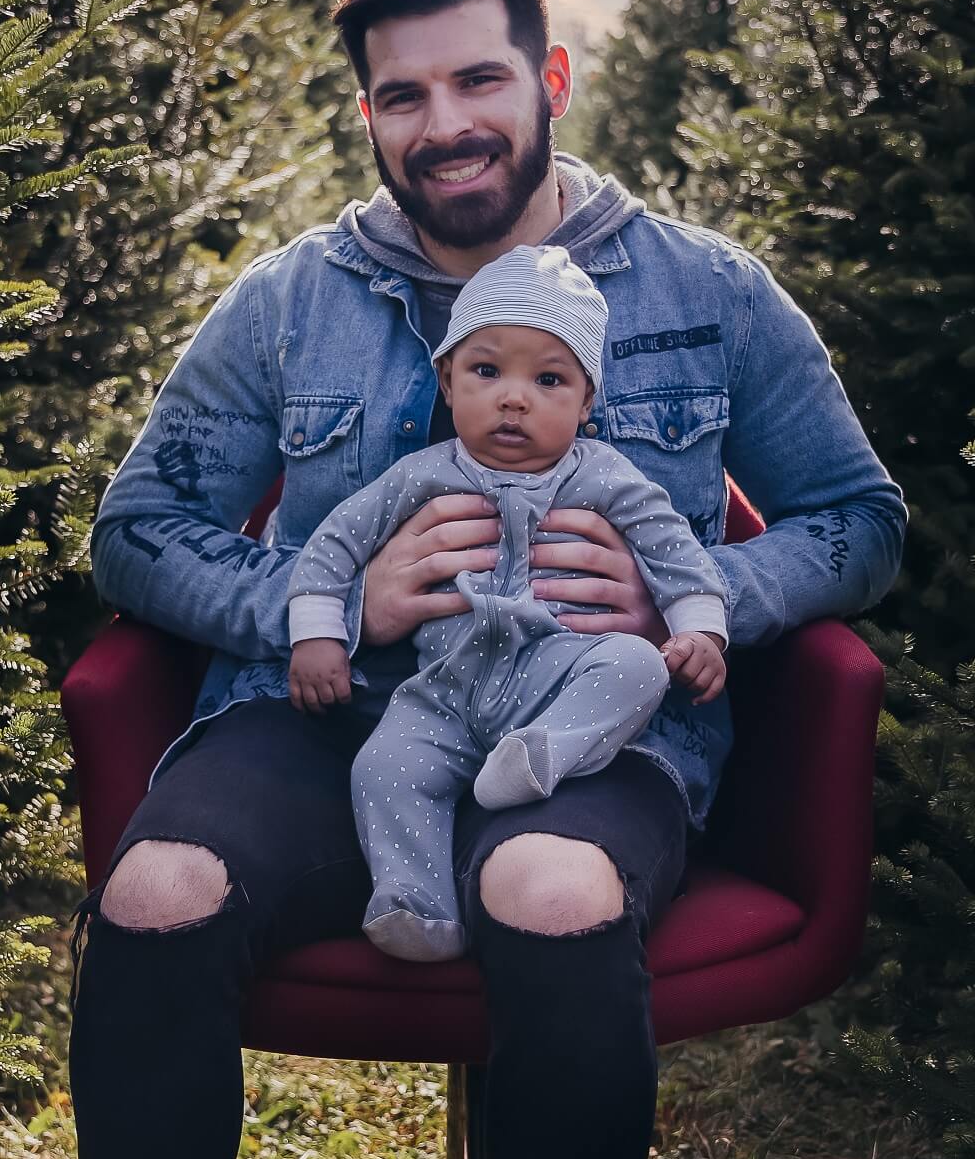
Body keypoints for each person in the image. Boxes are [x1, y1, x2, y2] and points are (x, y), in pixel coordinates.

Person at [0, 0, 907, 1159]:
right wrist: (303, 593)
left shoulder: (705, 290)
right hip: (326, 731)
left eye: (475, 81)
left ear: (545, 81)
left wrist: (688, 589)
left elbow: (858, 517)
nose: (442, 125)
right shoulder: (289, 300)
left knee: (547, 888)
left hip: (591, 728)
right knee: (158, 890)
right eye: (401, 95)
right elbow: (134, 527)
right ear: (370, 117)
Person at [286, 240, 729, 961]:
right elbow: (332, 547)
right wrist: (319, 636)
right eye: (486, 370)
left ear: (588, 401)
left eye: (549, 379)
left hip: (554, 677)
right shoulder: (420, 476)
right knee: (382, 769)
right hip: (443, 692)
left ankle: (543, 755)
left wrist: (701, 632)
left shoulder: (606, 477)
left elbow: (678, 556)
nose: (513, 397)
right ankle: (415, 903)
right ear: (448, 379)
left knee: (637, 668)